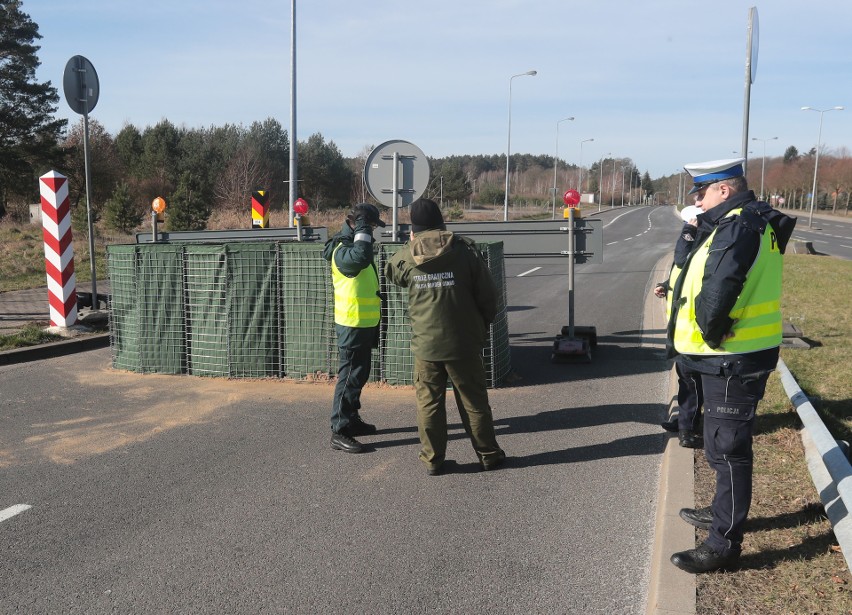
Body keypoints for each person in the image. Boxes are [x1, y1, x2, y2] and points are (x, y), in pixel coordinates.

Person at [667, 158, 796, 573]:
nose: (698, 202)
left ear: (724, 189)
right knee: (720, 446)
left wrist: (709, 331)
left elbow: (721, 285)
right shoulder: (747, 220)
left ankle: (723, 545)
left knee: (729, 449)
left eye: (701, 193)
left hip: (732, 357)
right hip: (727, 356)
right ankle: (723, 513)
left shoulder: (739, 224)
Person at [384, 198, 505, 476]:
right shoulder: (464, 250)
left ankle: (433, 460)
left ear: (413, 229)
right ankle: (488, 455)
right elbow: (488, 295)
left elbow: (393, 273)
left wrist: (410, 243)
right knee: (473, 401)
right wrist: (483, 324)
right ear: (442, 222)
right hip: (463, 342)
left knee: (429, 402)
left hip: (426, 345)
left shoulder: (407, 254)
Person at [323, 203, 387, 454]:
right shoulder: (343, 251)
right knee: (348, 376)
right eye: (370, 226)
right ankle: (339, 430)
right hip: (351, 324)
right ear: (358, 225)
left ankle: (352, 419)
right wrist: (362, 228)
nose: (372, 231)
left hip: (362, 323)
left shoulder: (350, 246)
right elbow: (361, 257)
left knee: (358, 375)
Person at [655, 205, 705, 449]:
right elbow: (681, 273)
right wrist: (666, 284)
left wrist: (688, 233)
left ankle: (688, 429)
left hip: (695, 330)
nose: (687, 225)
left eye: (691, 222)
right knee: (686, 380)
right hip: (683, 329)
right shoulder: (693, 246)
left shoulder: (697, 245)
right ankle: (686, 421)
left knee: (692, 381)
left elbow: (682, 259)